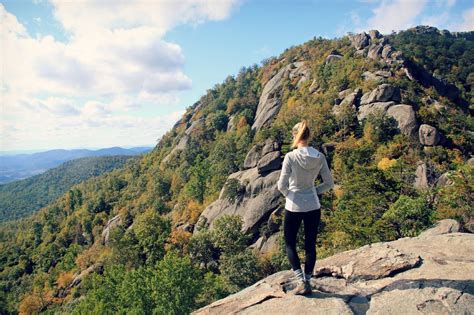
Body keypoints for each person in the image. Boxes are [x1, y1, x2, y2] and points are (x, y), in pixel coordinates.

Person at [277, 119, 334, 295]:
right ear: (308, 136)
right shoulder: (319, 157)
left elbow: (281, 185)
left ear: (295, 136)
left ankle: (301, 281)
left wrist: (292, 195)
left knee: (290, 243)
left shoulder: (291, 157)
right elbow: (329, 183)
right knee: (310, 244)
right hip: (313, 206)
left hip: (294, 206)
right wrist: (313, 192)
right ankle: (308, 281)